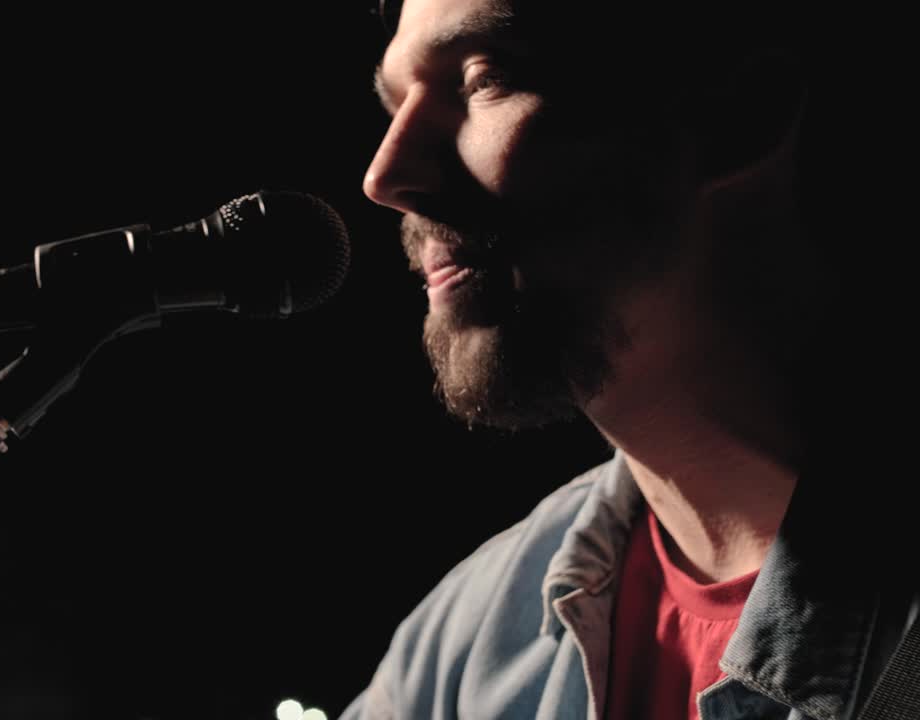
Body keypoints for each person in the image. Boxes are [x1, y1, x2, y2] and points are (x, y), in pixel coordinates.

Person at [339, 0, 918, 718]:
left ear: (740, 112)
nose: (386, 174)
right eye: (396, 104)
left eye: (483, 78)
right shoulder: (463, 645)